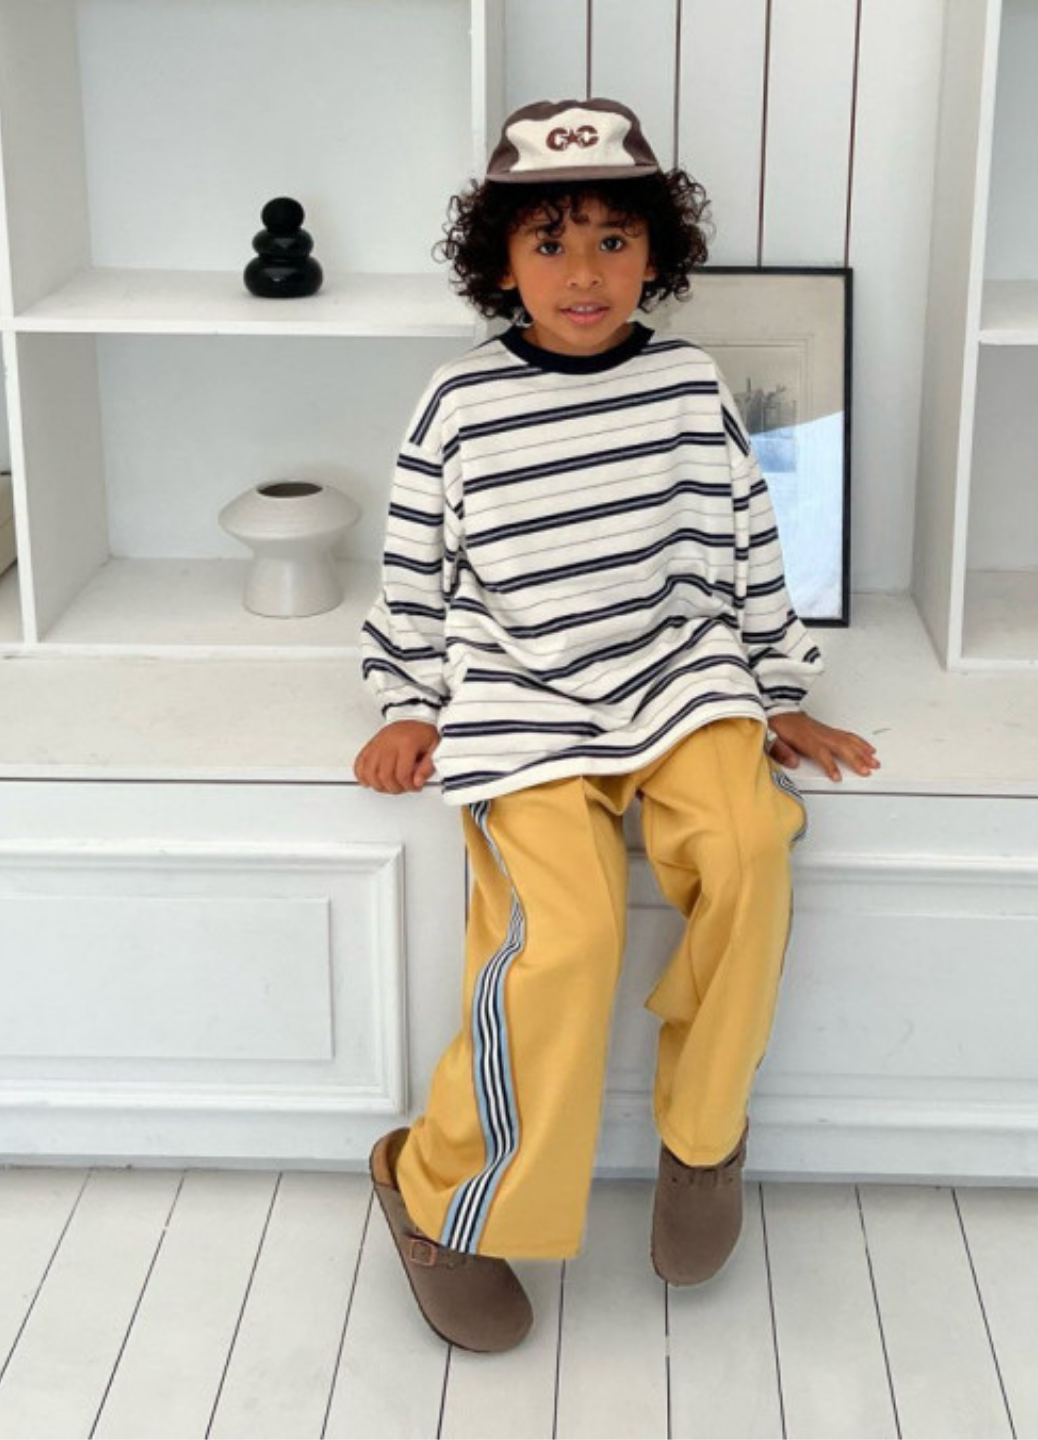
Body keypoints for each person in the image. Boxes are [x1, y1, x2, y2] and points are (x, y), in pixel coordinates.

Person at [354, 97, 879, 1353]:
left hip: (679, 674)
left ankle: (702, 1143)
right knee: (568, 936)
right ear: (500, 263)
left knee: (750, 848)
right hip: (522, 699)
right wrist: (407, 701)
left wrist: (780, 685)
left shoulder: (687, 386)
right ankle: (437, 1194)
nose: (582, 272)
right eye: (548, 242)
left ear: (658, 252)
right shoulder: (460, 404)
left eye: (610, 238)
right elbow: (414, 565)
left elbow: (746, 542)